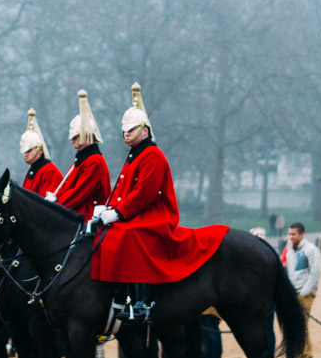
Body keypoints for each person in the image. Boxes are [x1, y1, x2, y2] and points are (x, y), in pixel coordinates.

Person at [90, 83, 228, 318]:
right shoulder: (135, 155)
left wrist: (118, 213)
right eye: (125, 130)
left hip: (155, 214)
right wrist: (108, 208)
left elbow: (144, 193)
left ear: (145, 130)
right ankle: (119, 293)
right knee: (109, 233)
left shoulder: (152, 155)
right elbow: (123, 191)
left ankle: (141, 303)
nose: (126, 134)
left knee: (130, 234)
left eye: (132, 130)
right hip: (137, 212)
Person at [45, 90, 111, 220]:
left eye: (75, 137)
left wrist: (55, 206)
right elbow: (67, 189)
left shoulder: (95, 161)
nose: (72, 141)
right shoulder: (81, 160)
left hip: (87, 217)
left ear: (86, 135)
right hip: (76, 213)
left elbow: (78, 194)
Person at [284, 222, 321, 358]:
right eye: (289, 234)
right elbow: (290, 272)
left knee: (301, 327)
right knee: (297, 328)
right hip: (294, 293)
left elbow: (315, 272)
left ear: (302, 234)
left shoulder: (311, 250)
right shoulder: (289, 251)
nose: (290, 237)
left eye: (293, 234)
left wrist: (305, 292)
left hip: (304, 294)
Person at [20, 109, 62, 196]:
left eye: (29, 150)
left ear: (40, 150)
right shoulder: (31, 170)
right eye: (24, 151)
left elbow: (44, 201)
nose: (26, 154)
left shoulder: (49, 171)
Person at [250, 226, 275, 356]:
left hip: (267, 297)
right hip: (252, 298)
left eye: (262, 234)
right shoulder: (247, 255)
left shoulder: (270, 254)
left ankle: (269, 356)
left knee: (268, 328)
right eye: (257, 234)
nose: (260, 236)